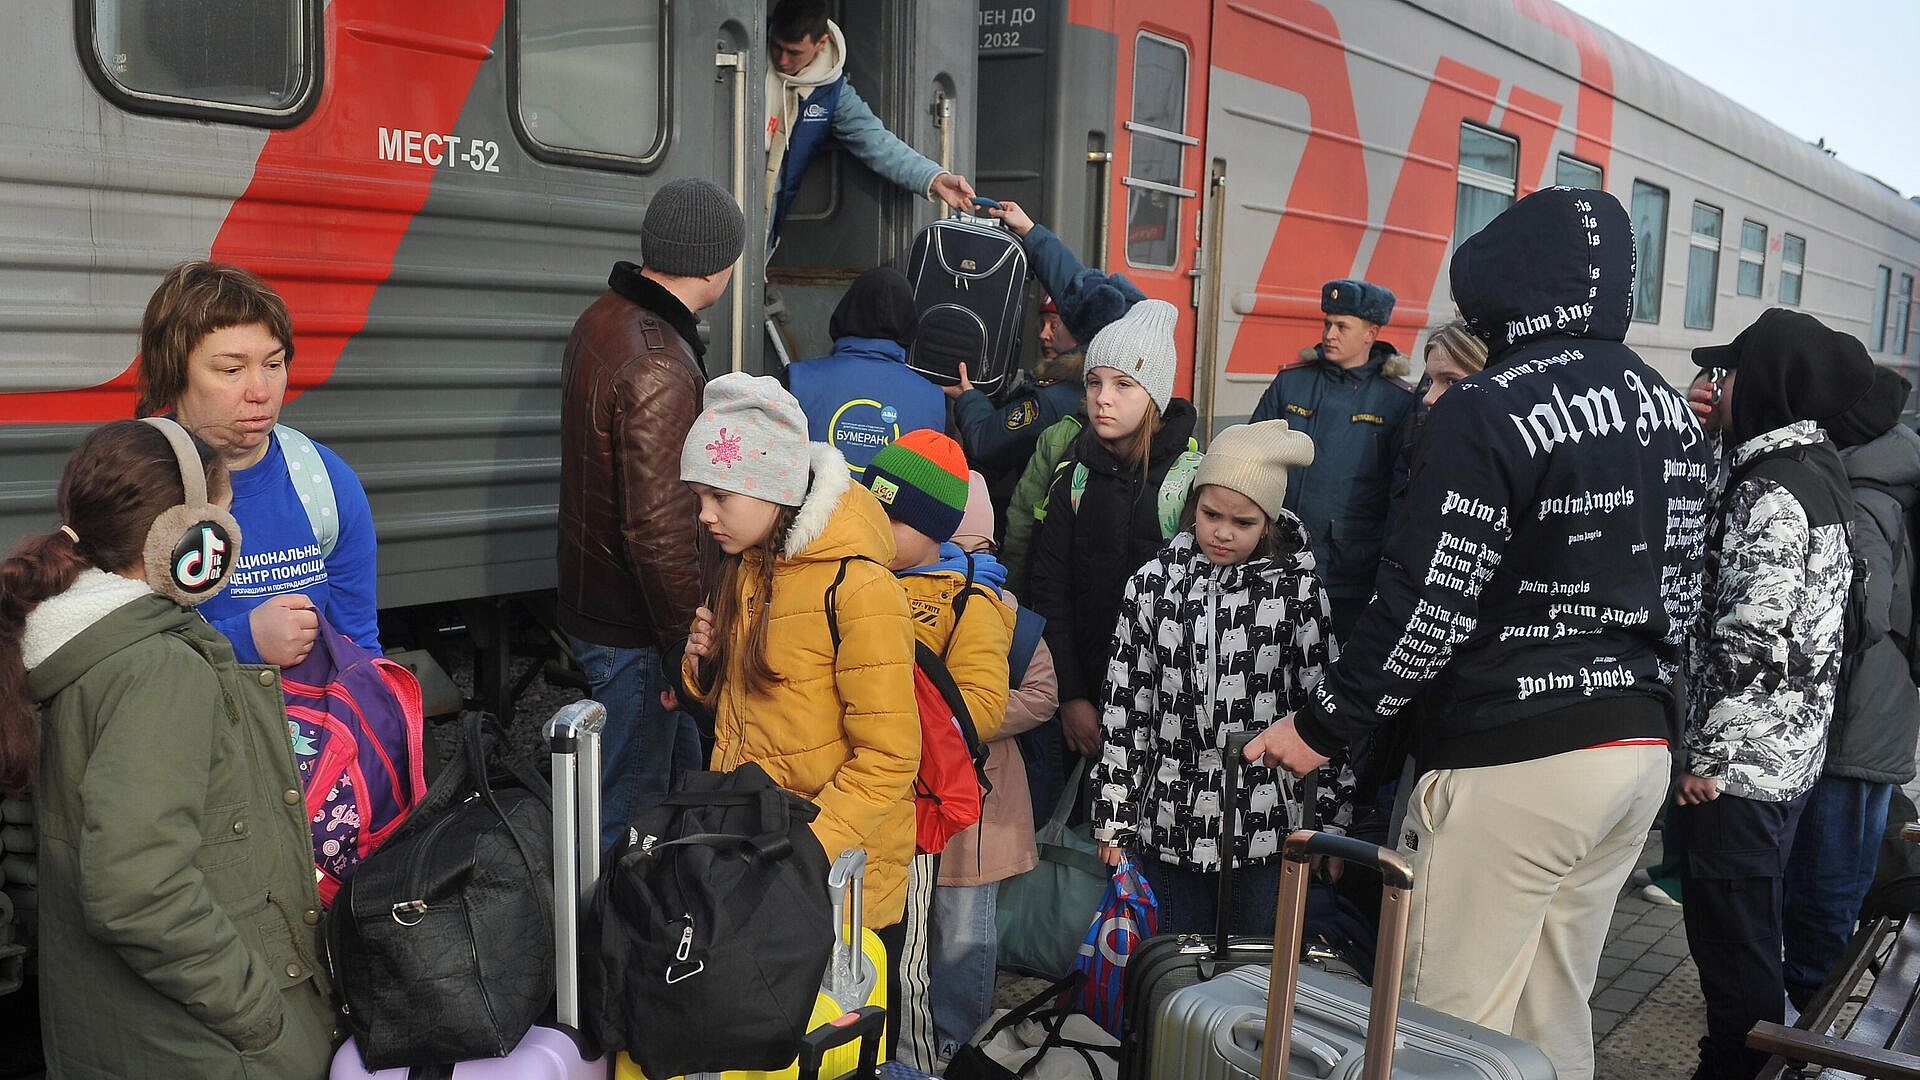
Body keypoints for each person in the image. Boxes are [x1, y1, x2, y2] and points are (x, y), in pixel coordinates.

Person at [1246, 187, 1714, 1080]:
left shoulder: (1487, 405)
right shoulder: (1666, 409)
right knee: (1551, 1012)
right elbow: (1683, 589)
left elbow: (1429, 602)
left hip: (1517, 763)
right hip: (1635, 753)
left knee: (1439, 1034)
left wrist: (1320, 728)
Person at [0, 419, 335, 1079]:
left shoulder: (62, 638)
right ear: (191, 541)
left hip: (120, 1034)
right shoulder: (156, 669)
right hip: (201, 1047)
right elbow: (138, 887)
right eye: (225, 519)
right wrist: (262, 1017)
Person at [676, 372, 920, 1033]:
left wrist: (809, 850)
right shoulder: (750, 568)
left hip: (839, 880)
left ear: (776, 486)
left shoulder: (860, 589)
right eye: (699, 495)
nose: (704, 513)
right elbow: (749, 709)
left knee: (837, 1044)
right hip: (765, 855)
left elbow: (892, 757)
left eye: (718, 494)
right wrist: (702, 666)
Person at [1680, 308, 1876, 1080]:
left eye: (1727, 374)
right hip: (1788, 754)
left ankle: (1738, 1069)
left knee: (1735, 949)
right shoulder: (1818, 466)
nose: (1716, 387)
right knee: (1749, 935)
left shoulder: (1769, 488)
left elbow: (1752, 633)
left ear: (1761, 381)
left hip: (1741, 766)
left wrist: (1710, 756)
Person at [1092, 420, 1353, 936]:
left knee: (1257, 979)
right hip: (1170, 815)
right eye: (1211, 515)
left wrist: (1329, 822)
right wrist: (1114, 816)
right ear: (1193, 507)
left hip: (1267, 823)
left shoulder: (1297, 591)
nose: (1223, 532)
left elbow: (1323, 704)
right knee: (1173, 972)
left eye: (1244, 522)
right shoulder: (1153, 584)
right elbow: (1127, 704)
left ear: (1269, 523)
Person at [559, 177, 746, 848]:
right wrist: (686, 644)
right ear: (718, 264)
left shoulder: (602, 319)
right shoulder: (661, 362)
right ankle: (609, 946)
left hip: (598, 604)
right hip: (638, 630)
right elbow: (659, 527)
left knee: (664, 788)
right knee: (628, 816)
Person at [857, 434, 1015, 1070]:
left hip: (911, 815)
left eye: (894, 519)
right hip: (854, 800)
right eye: (874, 507)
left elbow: (978, 706)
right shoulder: (856, 576)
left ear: (933, 528)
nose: (877, 525)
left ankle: (917, 1065)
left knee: (910, 960)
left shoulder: (967, 597)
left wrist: (893, 728)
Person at [134, 260, 379, 667]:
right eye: (231, 369)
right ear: (174, 372)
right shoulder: (133, 480)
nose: (261, 391)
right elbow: (111, 652)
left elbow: (358, 647)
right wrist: (243, 640)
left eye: (273, 364)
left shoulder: (323, 480)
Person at [1785, 367, 1920, 1009]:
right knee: (1842, 881)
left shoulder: (1860, 493)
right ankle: (1817, 1016)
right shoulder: (1891, 479)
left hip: (1853, 716)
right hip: (1884, 712)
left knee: (1826, 889)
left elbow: (1862, 615)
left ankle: (1807, 1033)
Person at [1029, 300, 1201, 773]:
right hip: (1085, 699)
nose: (1102, 397)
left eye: (1124, 384)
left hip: (1167, 717)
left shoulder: (1186, 483)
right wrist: (1072, 697)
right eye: (1094, 382)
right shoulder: (1073, 477)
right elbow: (1051, 591)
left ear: (1155, 396)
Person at [929, 472, 1059, 1065]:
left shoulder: (1011, 615)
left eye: (973, 549)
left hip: (983, 796)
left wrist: (958, 716)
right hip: (917, 795)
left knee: (965, 930)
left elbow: (1042, 695)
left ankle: (962, 1046)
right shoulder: (907, 597)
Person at [984, 200, 1149, 593]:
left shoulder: (1059, 431)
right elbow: (1083, 292)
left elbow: (1021, 518)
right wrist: (1030, 231)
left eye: (1120, 386)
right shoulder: (1171, 443)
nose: (1104, 399)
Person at [1248, 278, 1419, 642]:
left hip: (1349, 574)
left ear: (1371, 333)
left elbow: (1400, 493)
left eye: (1342, 326)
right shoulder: (1290, 382)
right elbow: (1251, 458)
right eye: (1327, 323)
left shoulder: (1396, 400)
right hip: (1280, 558)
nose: (1329, 334)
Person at [764, 0, 974, 246]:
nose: (783, 60)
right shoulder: (752, 50)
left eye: (794, 52)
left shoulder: (832, 91)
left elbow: (876, 141)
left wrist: (935, 179)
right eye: (777, 47)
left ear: (821, 43)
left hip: (767, 214)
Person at [783, 267, 944, 474]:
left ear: (846, 310)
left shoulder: (795, 380)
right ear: (909, 323)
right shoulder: (935, 401)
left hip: (812, 506)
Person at [944, 294, 1086, 496]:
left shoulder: (1048, 398)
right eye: (1042, 325)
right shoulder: (1081, 385)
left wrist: (969, 397)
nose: (1044, 335)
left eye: (1054, 326)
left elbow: (986, 442)